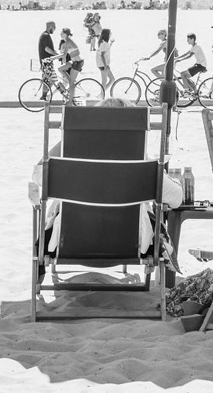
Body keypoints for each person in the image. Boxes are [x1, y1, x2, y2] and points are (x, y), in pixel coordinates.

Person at [33, 98, 184, 288]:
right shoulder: (141, 164)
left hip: (70, 244)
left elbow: (38, 175)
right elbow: (177, 199)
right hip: (129, 246)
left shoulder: (71, 156)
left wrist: (67, 143)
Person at [58, 27, 84, 98]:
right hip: (74, 61)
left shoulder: (68, 42)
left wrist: (52, 58)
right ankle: (71, 81)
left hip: (78, 62)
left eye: (61, 33)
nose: (60, 34)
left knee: (71, 83)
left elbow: (64, 54)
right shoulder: (66, 41)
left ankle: (70, 101)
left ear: (65, 34)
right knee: (60, 69)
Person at [96, 28, 114, 92]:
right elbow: (102, 55)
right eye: (110, 33)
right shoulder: (104, 43)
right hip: (103, 64)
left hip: (103, 64)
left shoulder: (104, 43)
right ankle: (102, 95)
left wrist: (111, 44)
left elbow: (106, 50)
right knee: (104, 81)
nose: (111, 34)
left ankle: (101, 94)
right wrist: (105, 65)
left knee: (112, 79)